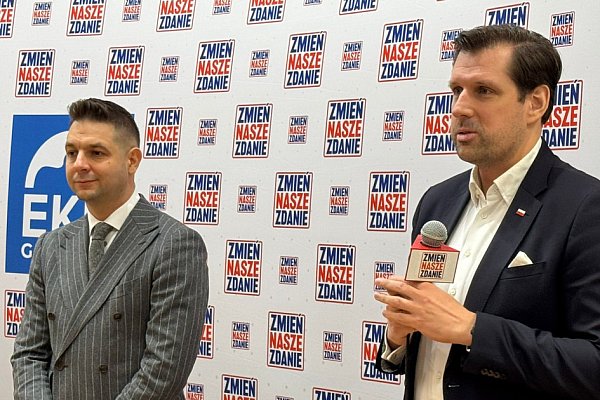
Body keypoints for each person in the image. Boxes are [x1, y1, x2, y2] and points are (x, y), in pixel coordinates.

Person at [374, 24, 600, 400]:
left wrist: (472, 330)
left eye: (483, 90)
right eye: (457, 90)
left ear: (536, 103)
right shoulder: (437, 201)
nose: (459, 108)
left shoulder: (585, 207)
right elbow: (426, 346)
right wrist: (398, 338)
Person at [11, 98, 209, 399]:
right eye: (71, 152)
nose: (79, 164)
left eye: (97, 153)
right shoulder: (50, 246)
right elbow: (29, 353)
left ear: (132, 161)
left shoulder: (174, 243)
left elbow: (164, 370)